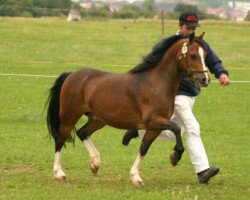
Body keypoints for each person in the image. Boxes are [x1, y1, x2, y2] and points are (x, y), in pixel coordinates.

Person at [122, 12, 230, 184]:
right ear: (180, 26)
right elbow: (151, 63)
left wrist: (222, 73)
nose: (191, 31)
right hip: (173, 96)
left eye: (194, 28)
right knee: (192, 127)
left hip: (190, 95)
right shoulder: (169, 44)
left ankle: (140, 129)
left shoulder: (199, 43)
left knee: (176, 132)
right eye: (188, 27)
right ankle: (202, 170)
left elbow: (213, 61)